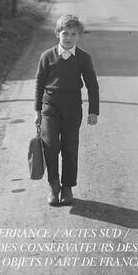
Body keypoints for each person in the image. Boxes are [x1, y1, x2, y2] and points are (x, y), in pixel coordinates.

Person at [34, 14, 99, 206]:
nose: (68, 37)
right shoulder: (47, 56)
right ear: (57, 34)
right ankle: (54, 186)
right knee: (50, 145)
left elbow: (92, 85)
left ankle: (67, 187)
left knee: (70, 147)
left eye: (73, 34)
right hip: (50, 107)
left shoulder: (83, 58)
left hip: (72, 108)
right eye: (65, 33)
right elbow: (39, 83)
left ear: (79, 36)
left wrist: (93, 111)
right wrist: (37, 111)